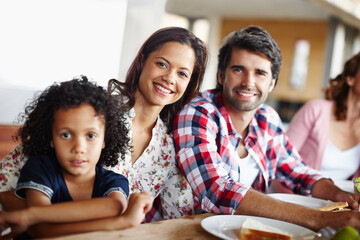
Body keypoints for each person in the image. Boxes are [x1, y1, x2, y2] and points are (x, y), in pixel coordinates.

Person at [0, 26, 208, 222]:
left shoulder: (169, 147)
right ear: (143, 60)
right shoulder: (93, 112)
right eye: (162, 64)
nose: (170, 78)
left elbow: (179, 215)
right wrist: (36, 223)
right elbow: (4, 181)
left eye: (182, 73)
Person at [173, 25, 360, 231]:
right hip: (184, 231)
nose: (248, 82)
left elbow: (297, 171)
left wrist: (340, 195)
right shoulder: (199, 113)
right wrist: (321, 220)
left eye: (260, 73)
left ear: (272, 83)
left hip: (238, 232)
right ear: (220, 76)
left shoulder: (267, 118)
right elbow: (216, 189)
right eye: (238, 69)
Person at [0, 77, 154, 239]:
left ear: (105, 140)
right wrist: (123, 221)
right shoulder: (40, 168)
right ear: (51, 138)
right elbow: (42, 231)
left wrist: (29, 215)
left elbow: (114, 206)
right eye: (66, 135)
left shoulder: (114, 181)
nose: (79, 148)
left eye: (90, 135)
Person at [286, 53, 360, 181]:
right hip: (296, 197)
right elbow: (282, 161)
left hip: (338, 201)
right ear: (350, 79)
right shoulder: (316, 110)